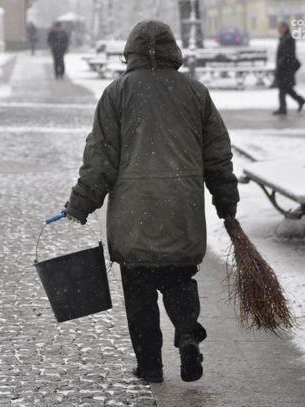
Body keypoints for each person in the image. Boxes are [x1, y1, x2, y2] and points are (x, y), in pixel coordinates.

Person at [65, 20, 239, 383]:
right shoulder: (195, 92)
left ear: (130, 53)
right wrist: (225, 200)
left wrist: (81, 203)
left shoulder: (117, 93)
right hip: (182, 211)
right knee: (179, 279)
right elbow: (217, 154)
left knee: (139, 294)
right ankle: (187, 334)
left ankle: (150, 367)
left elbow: (100, 158)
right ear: (173, 51)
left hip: (134, 217)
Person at [273, 21, 305, 115]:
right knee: (287, 89)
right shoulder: (284, 38)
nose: (278, 29)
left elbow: (288, 54)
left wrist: (281, 64)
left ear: (285, 28)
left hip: (286, 69)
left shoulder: (289, 39)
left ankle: (283, 108)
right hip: (285, 68)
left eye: (280, 27)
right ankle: (301, 100)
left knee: (282, 89)